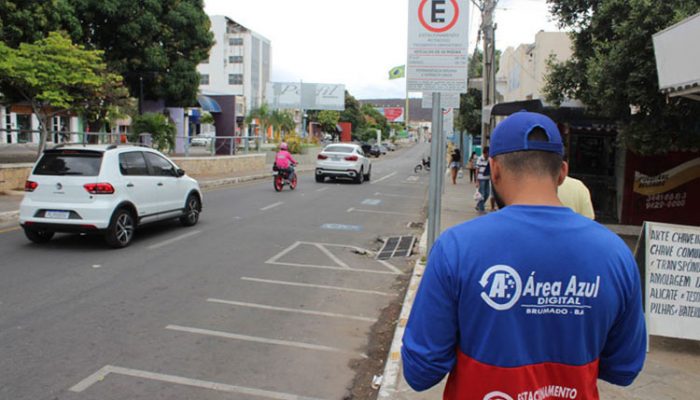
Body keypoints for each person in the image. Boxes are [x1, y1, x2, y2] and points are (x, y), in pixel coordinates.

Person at [402, 111, 646, 400]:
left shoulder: (456, 248)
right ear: (563, 172)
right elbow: (625, 368)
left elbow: (420, 371)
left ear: (494, 169)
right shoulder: (616, 254)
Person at [474, 147, 490, 212]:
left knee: (487, 193)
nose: (488, 155)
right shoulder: (480, 159)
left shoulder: (489, 159)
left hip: (487, 178)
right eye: (488, 153)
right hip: (481, 179)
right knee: (482, 194)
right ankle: (481, 209)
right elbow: (477, 170)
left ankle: (478, 205)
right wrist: (477, 180)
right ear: (484, 153)